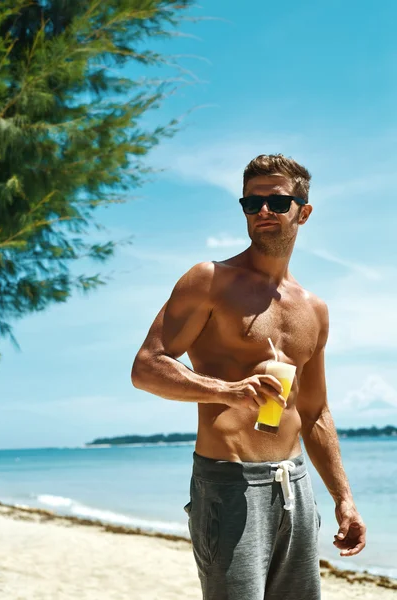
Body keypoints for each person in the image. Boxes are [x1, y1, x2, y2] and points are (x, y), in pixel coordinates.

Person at [131, 154, 366, 600]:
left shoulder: (314, 309)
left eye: (278, 203)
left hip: (296, 487)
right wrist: (228, 391)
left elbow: (314, 411)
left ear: (304, 212)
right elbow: (147, 367)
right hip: (228, 483)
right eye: (251, 203)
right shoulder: (210, 280)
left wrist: (343, 498)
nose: (263, 211)